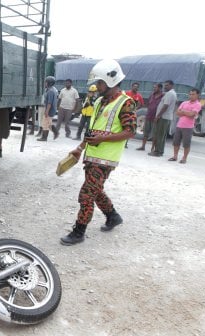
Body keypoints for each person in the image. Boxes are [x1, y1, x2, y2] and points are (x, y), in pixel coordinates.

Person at [60, 59, 136, 246]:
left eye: (100, 82)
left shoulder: (126, 103)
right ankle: (113, 216)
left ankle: (79, 231)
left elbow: (130, 131)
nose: (97, 86)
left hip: (106, 160)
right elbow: (93, 130)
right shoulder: (101, 100)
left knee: (86, 194)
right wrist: (79, 149)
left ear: (111, 80)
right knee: (96, 190)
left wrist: (102, 139)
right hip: (92, 156)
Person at [168, 88, 201, 164]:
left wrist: (183, 112)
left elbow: (192, 114)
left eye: (193, 94)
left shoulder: (198, 104)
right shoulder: (184, 103)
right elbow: (177, 113)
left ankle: (184, 158)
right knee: (176, 142)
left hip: (188, 127)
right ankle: (175, 156)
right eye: (190, 94)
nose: (191, 96)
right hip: (179, 125)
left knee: (186, 144)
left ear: (197, 95)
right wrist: (187, 112)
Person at [148, 80, 177, 157]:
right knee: (161, 135)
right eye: (165, 85)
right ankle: (159, 151)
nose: (165, 87)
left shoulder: (170, 94)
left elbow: (165, 106)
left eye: (167, 85)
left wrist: (158, 116)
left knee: (160, 135)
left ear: (171, 86)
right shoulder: (171, 93)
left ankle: (158, 151)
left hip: (163, 117)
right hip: (165, 117)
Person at [136, 83, 163, 151]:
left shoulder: (163, 96)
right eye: (153, 87)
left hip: (156, 118)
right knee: (145, 133)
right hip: (148, 116)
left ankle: (152, 148)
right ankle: (143, 146)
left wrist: (158, 116)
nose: (154, 88)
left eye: (155, 87)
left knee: (154, 134)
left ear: (160, 88)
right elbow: (148, 104)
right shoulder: (152, 95)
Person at [36, 76, 59, 141]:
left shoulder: (51, 91)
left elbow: (49, 103)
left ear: (49, 83)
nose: (44, 84)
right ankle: (56, 132)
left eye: (46, 82)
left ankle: (44, 137)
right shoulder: (51, 89)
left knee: (45, 124)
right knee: (48, 123)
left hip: (49, 110)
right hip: (50, 109)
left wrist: (46, 111)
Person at [123, 82, 144, 148]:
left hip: (132, 114)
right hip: (125, 112)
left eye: (137, 87)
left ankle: (125, 143)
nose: (135, 88)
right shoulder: (127, 93)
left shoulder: (139, 96)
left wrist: (136, 109)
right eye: (134, 86)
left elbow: (142, 104)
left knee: (129, 128)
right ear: (132, 87)